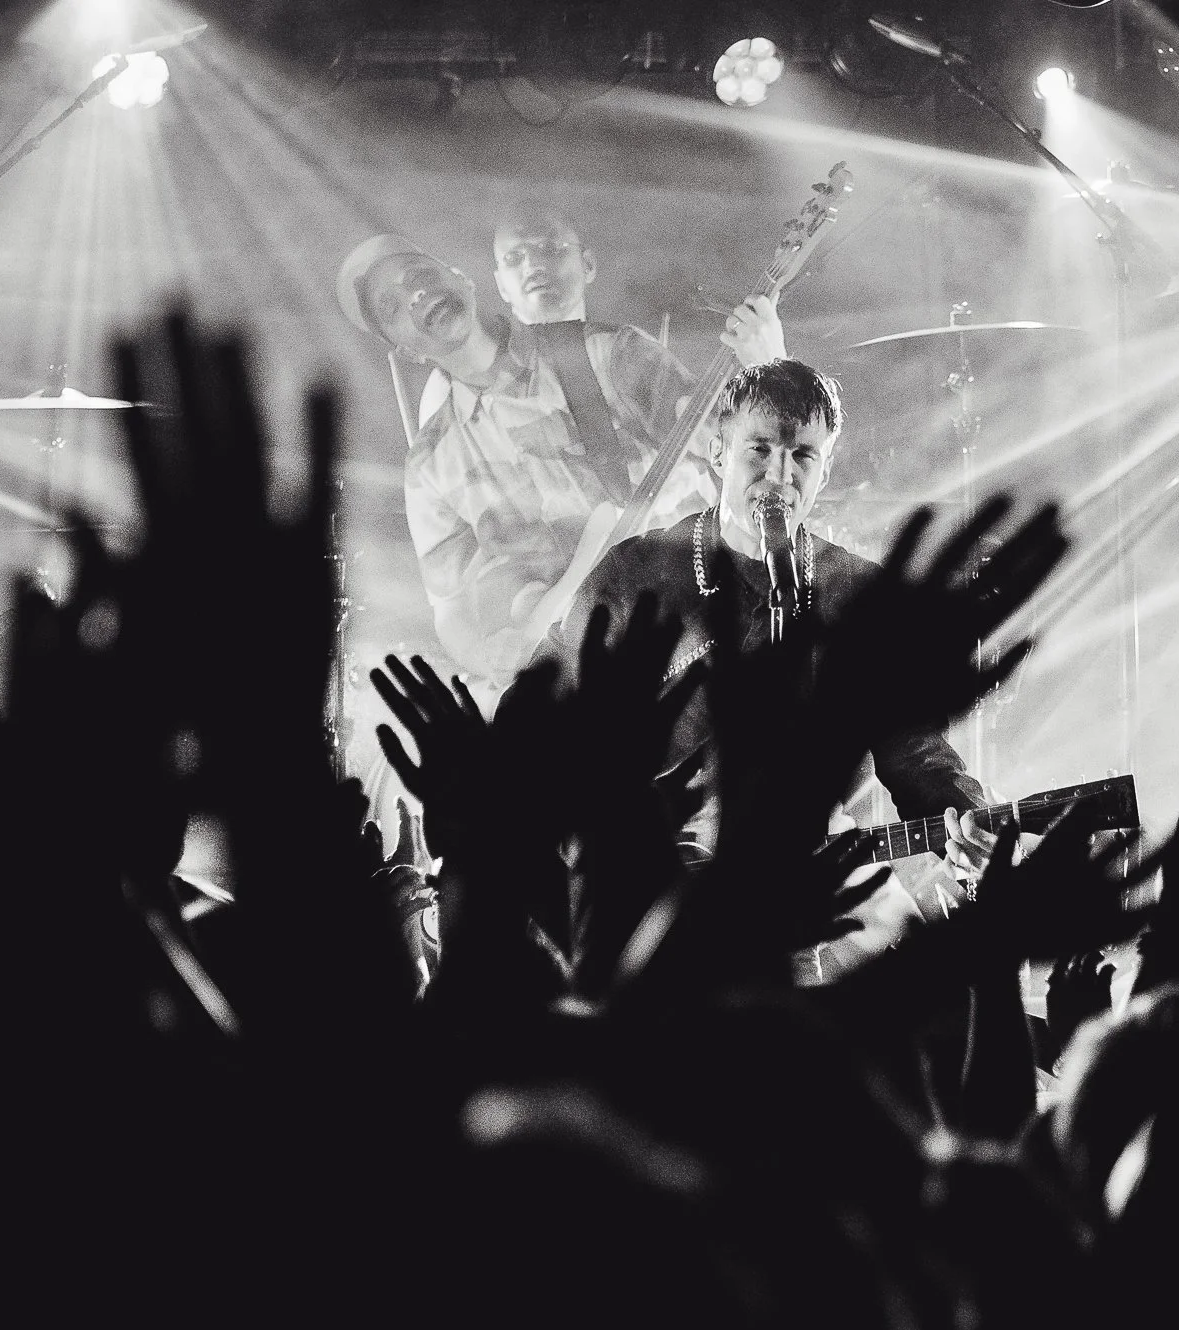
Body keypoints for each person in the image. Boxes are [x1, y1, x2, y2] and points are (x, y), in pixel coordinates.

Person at [538, 357, 998, 890]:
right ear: (719, 452)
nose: (779, 476)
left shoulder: (858, 594)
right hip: (647, 887)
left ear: (825, 471)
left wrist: (969, 831)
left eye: (802, 455)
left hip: (812, 876)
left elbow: (917, 754)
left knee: (902, 940)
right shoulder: (637, 571)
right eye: (759, 450)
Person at [335, 217, 783, 685]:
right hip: (582, 686)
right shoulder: (428, 464)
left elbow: (750, 459)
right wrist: (492, 657)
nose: (415, 295)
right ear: (407, 352)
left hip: (698, 635)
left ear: (461, 279)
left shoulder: (607, 353)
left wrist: (772, 366)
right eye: (392, 306)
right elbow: (450, 609)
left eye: (419, 275)